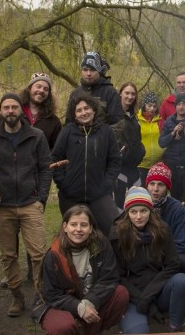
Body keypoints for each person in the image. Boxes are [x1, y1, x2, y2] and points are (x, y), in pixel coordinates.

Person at [0, 93, 52, 317]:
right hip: (3, 206)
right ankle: (16, 296)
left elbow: (45, 167)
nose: (10, 111)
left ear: (20, 110)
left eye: (14, 107)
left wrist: (41, 198)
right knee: (8, 256)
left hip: (29, 204)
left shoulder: (36, 136)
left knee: (38, 255)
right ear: (1, 111)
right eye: (6, 107)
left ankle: (40, 295)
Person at [33, 205, 129, 335]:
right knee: (62, 327)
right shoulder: (54, 254)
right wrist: (78, 307)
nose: (78, 229)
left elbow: (109, 277)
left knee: (120, 293)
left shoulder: (101, 245)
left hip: (89, 298)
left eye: (84, 225)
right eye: (73, 224)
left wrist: (89, 301)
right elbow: (51, 294)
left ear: (90, 228)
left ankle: (90, 333)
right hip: (60, 304)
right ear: (65, 227)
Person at [110, 187, 185, 333]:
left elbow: (172, 264)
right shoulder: (118, 235)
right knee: (138, 333)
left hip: (159, 290)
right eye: (133, 212)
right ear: (127, 213)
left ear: (151, 211)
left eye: (144, 211)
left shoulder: (162, 229)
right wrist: (143, 300)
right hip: (133, 296)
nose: (139, 216)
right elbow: (118, 277)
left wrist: (149, 295)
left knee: (181, 281)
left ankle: (176, 327)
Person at [51, 90, 122, 235]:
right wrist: (63, 183)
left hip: (99, 194)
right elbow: (55, 159)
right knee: (74, 233)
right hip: (71, 196)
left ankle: (107, 257)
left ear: (94, 109)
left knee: (113, 229)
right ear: (74, 114)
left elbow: (114, 160)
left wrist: (107, 183)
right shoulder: (67, 132)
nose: (83, 113)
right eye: (79, 110)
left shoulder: (106, 131)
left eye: (86, 108)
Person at [0, 72, 62, 148]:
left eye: (46, 89)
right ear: (29, 89)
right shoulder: (12, 113)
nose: (42, 90)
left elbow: (57, 150)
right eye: (38, 86)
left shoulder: (53, 121)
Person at [159, 91, 185, 225]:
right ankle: (172, 227)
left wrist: (182, 126)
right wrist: (173, 133)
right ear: (175, 106)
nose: (181, 107)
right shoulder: (169, 122)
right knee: (174, 200)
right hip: (172, 167)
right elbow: (161, 142)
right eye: (179, 104)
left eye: (184, 104)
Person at [145, 162, 185, 276]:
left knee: (184, 262)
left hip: (167, 256)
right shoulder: (140, 205)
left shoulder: (177, 208)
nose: (155, 189)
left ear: (167, 187)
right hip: (143, 254)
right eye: (152, 183)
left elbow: (180, 244)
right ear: (147, 185)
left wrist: (159, 257)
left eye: (160, 184)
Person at [114, 82, 146, 209]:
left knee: (137, 203)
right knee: (119, 206)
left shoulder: (134, 116)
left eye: (133, 94)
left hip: (133, 167)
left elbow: (137, 139)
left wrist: (141, 150)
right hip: (119, 168)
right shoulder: (114, 115)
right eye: (127, 93)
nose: (130, 96)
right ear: (121, 93)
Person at [70, 51, 123, 126]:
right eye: (85, 70)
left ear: (99, 71)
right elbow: (69, 123)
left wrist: (102, 137)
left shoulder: (110, 93)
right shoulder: (75, 94)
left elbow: (118, 124)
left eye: (92, 70)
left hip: (103, 136)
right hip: (78, 136)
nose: (88, 73)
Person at [137, 91, 164, 183]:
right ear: (144, 105)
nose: (152, 108)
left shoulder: (160, 121)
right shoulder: (137, 120)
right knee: (142, 192)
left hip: (158, 164)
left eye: (154, 106)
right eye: (149, 105)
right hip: (141, 164)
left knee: (155, 192)